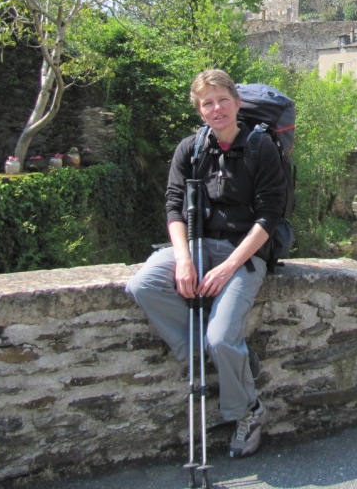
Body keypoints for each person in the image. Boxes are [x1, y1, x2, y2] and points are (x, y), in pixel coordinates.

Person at [126, 69, 287, 459]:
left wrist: (228, 266)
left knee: (221, 336)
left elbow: (269, 218)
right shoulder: (191, 149)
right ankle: (206, 353)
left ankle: (248, 411)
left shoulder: (261, 148)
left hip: (244, 255)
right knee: (142, 284)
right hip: (196, 246)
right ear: (200, 110)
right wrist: (182, 260)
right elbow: (174, 206)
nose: (216, 109)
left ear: (236, 102)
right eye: (207, 103)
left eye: (222, 100)